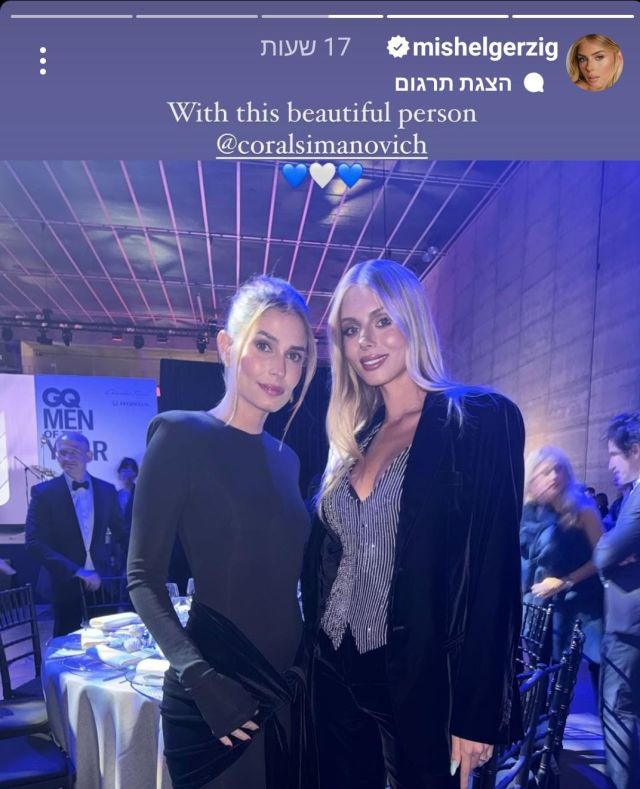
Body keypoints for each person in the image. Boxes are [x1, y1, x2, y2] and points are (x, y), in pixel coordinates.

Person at [300, 259, 525, 789]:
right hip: (333, 672)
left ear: (413, 320)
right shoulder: (352, 437)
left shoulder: (478, 419)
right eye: (351, 330)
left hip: (424, 680)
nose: (366, 342)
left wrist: (477, 713)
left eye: (382, 320)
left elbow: (494, 573)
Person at [127, 276, 317, 789]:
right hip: (215, 690)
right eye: (264, 346)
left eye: (295, 355)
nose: (279, 368)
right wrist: (201, 678)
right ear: (228, 347)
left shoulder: (288, 459)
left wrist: (304, 663)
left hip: (287, 689)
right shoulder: (180, 435)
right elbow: (142, 577)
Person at [25, 431, 125, 636]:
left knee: (108, 640)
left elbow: (123, 534)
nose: (67, 458)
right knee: (66, 642)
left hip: (103, 581)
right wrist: (79, 571)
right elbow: (34, 542)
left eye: (73, 452)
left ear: (89, 456)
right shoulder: (43, 493)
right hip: (64, 581)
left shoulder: (107, 490)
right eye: (62, 453)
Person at [520, 447, 604, 688]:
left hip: (580, 603)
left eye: (558, 469)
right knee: (537, 677)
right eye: (546, 471)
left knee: (578, 674)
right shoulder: (528, 511)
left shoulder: (582, 509)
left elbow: (602, 558)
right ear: (533, 476)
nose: (554, 476)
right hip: (539, 606)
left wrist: (565, 581)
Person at [593, 412, 640, 789]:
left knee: (617, 711)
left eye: (613, 454)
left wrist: (610, 550)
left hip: (627, 628)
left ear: (635, 450)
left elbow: (604, 554)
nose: (609, 463)